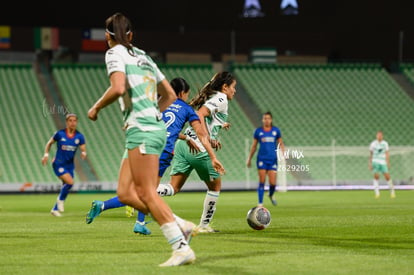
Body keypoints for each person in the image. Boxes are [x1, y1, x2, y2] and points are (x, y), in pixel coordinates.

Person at [87, 12, 198, 267]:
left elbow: (117, 88)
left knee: (147, 193)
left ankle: (181, 247)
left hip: (143, 129)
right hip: (147, 128)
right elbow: (170, 94)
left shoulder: (114, 53)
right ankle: (180, 224)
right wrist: (152, 113)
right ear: (131, 35)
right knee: (125, 193)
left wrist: (95, 108)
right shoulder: (144, 56)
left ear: (107, 37)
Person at [85, 77, 224, 236]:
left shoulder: (159, 104)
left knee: (146, 190)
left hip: (146, 145)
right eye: (187, 94)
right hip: (163, 151)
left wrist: (186, 138)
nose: (187, 96)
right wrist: (212, 156)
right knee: (148, 192)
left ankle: (140, 223)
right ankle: (103, 206)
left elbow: (165, 127)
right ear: (182, 93)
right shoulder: (186, 109)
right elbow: (201, 134)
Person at [157, 71, 236, 234]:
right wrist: (208, 141)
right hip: (198, 147)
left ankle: (147, 192)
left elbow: (206, 120)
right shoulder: (220, 98)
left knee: (173, 187)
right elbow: (200, 115)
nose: (235, 91)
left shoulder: (210, 97)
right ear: (225, 87)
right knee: (215, 187)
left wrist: (214, 135)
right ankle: (204, 226)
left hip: (183, 145)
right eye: (234, 87)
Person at [41, 113, 87, 217]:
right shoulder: (60, 134)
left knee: (66, 186)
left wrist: (84, 153)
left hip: (70, 165)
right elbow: (49, 143)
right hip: (58, 163)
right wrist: (46, 155)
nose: (72, 123)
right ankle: (60, 201)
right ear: (67, 122)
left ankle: (55, 209)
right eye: (70, 120)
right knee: (70, 182)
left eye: (74, 120)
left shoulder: (79, 136)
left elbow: (83, 148)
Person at [246, 111, 285, 206]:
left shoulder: (276, 131)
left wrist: (284, 154)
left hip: (272, 160)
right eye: (265, 118)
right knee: (262, 181)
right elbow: (254, 146)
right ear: (262, 120)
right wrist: (249, 158)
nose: (266, 120)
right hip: (262, 159)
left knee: (273, 183)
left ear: (271, 120)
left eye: (268, 118)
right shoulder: (258, 131)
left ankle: (271, 195)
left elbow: (281, 144)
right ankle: (260, 203)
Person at [368, 130, 395, 199]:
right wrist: (370, 163)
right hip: (375, 161)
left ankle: (392, 191)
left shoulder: (385, 143)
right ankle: (377, 193)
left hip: (383, 162)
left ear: (382, 136)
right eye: (378, 135)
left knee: (387, 176)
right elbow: (371, 154)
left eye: (380, 135)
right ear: (376, 136)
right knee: (376, 176)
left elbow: (387, 153)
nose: (379, 136)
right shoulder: (373, 144)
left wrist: (388, 162)